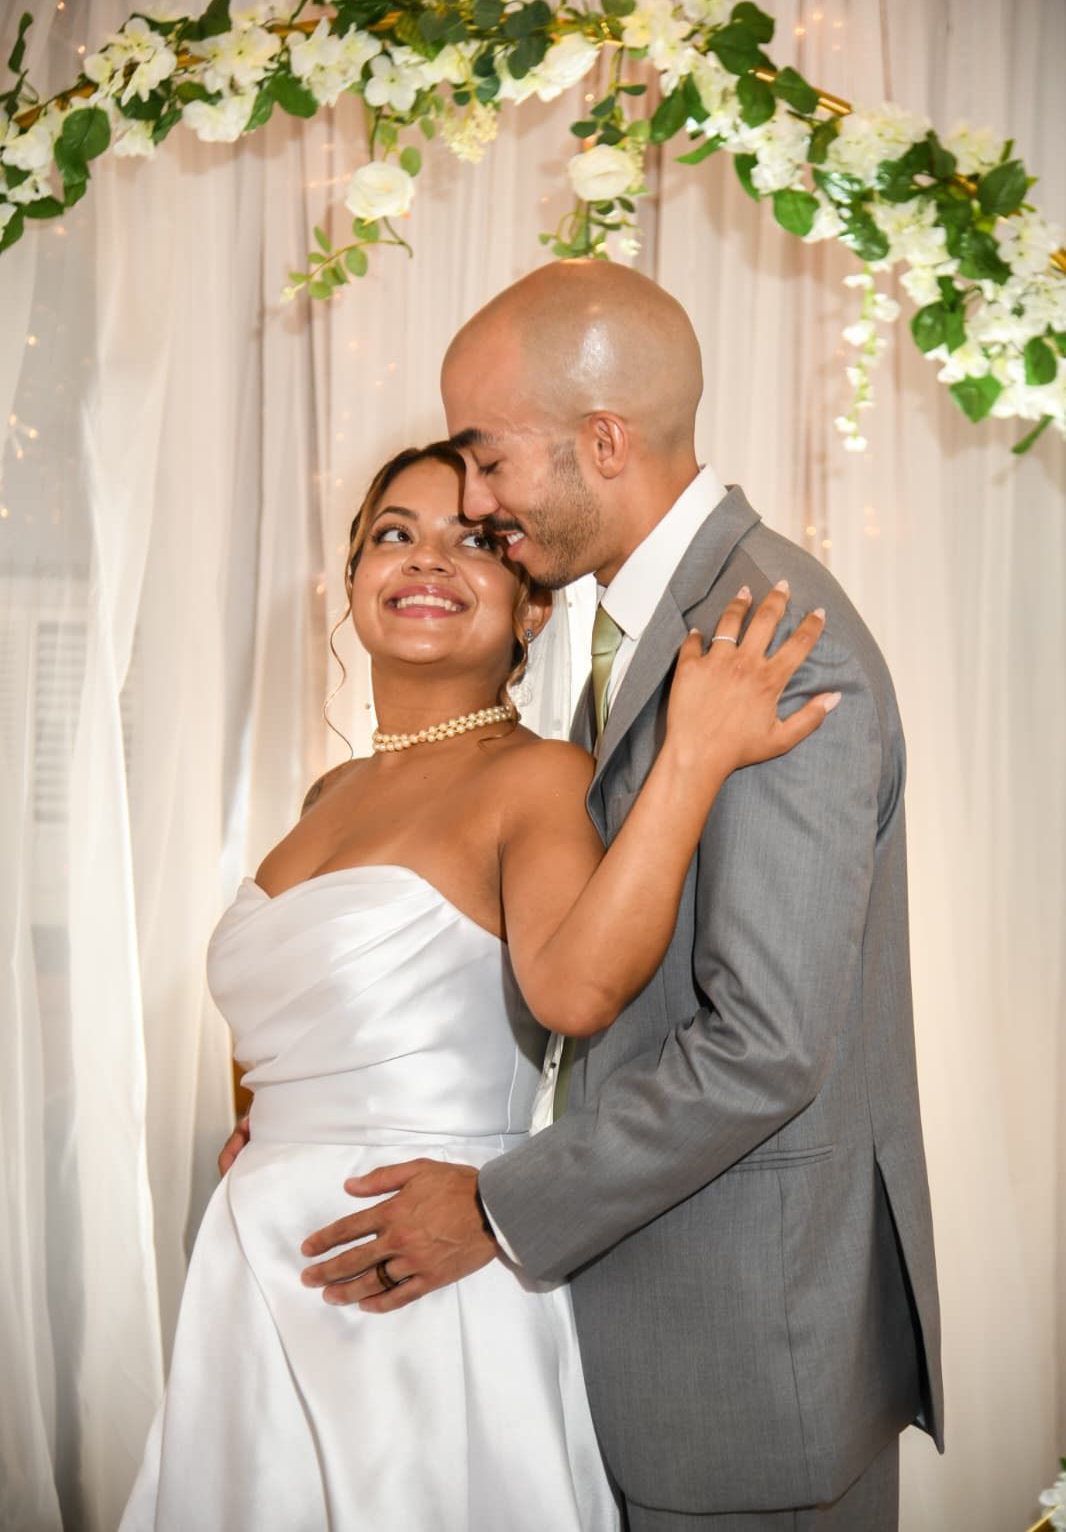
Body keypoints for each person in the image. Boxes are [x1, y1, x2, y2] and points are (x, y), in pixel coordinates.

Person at [300, 263, 945, 1532]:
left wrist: (495, 1206)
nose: (475, 505)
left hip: (745, 1355)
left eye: (487, 462)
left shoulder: (774, 642)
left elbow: (762, 1047)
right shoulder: (658, 627)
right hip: (641, 1329)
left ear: (602, 441)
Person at [122, 440, 835, 1531]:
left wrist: (689, 756)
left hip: (414, 1268)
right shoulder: (330, 788)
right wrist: (268, 1116)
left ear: (532, 610)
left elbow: (577, 993)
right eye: (394, 535)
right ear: (353, 575)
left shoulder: (536, 775)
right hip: (260, 1266)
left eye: (477, 542)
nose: (426, 562)